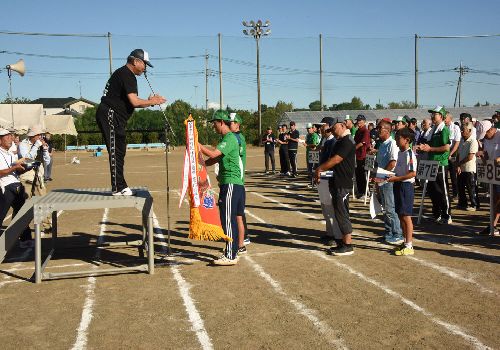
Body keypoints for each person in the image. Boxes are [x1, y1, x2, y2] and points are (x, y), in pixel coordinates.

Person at [96, 48, 166, 196]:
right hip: (110, 114)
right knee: (116, 150)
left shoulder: (124, 74)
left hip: (115, 116)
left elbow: (131, 101)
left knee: (120, 150)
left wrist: (149, 102)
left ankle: (120, 186)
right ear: (136, 61)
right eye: (145, 64)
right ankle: (118, 187)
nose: (145, 68)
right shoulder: (127, 75)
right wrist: (152, 101)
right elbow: (134, 102)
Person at [199, 110, 244, 265]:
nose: (213, 127)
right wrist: (201, 164)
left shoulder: (229, 138)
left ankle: (230, 255)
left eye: (214, 123)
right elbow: (215, 159)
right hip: (232, 183)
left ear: (221, 122)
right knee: (229, 218)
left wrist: (197, 145)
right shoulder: (227, 139)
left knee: (227, 219)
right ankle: (233, 251)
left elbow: (213, 154)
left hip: (231, 183)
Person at [314, 118, 356, 256]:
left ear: (343, 126)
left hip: (342, 183)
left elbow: (336, 159)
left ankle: (347, 244)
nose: (333, 131)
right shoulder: (340, 141)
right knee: (339, 212)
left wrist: (319, 169)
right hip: (336, 181)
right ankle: (343, 242)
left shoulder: (347, 141)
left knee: (342, 213)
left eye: (334, 128)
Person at [416, 106, 452, 225]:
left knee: (442, 190)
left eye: (435, 114)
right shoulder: (433, 129)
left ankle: (447, 215)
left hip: (440, 163)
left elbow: (446, 147)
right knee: (432, 190)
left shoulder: (444, 129)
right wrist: (422, 147)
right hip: (431, 163)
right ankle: (437, 214)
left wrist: (430, 148)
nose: (432, 116)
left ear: (441, 116)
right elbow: (429, 144)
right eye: (432, 114)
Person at [0, 128, 33, 248]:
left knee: (22, 213)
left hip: (15, 185)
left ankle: (25, 239)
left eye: (11, 136)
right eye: (7, 137)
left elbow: (14, 171)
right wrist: (14, 168)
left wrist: (24, 167)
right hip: (5, 188)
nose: (11, 139)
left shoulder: (9, 153)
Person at [387, 128, 417, 256]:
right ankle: (405, 242)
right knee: (400, 215)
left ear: (407, 140)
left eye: (398, 138)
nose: (396, 140)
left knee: (406, 216)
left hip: (406, 186)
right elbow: (399, 170)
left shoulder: (409, 154)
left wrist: (396, 178)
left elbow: (412, 173)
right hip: (398, 184)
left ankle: (409, 245)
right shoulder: (400, 152)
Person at [375, 119, 403, 244]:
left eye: (379, 128)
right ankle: (388, 232)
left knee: (390, 208)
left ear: (387, 129)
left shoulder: (392, 143)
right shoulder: (382, 145)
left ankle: (397, 233)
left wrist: (381, 176)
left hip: (388, 179)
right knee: (384, 208)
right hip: (382, 179)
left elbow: (393, 163)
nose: (377, 130)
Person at [316, 117, 342, 247]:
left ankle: (336, 235)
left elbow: (332, 163)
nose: (321, 129)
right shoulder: (326, 141)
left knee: (330, 209)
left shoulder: (333, 142)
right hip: (323, 178)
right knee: (325, 208)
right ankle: (329, 233)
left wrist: (321, 171)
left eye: (323, 126)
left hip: (329, 178)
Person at [229, 112, 250, 251]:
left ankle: (243, 237)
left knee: (237, 212)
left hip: (236, 178)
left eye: (230, 122)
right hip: (235, 178)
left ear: (237, 124)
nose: (228, 124)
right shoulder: (234, 137)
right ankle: (242, 237)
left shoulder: (238, 138)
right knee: (237, 211)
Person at [477, 124, 500, 235]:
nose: (484, 137)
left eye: (485, 133)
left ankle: (493, 225)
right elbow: (486, 160)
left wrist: (498, 160)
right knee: (494, 200)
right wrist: (482, 156)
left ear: (491, 129)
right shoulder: (485, 140)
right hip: (495, 174)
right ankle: (492, 225)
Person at [18, 125, 50, 198]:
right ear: (32, 135)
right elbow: (26, 159)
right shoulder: (23, 144)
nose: (40, 137)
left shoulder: (40, 145)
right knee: (27, 198)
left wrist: (45, 150)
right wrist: (36, 146)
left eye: (41, 135)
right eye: (38, 134)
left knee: (43, 197)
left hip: (39, 175)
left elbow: (47, 161)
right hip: (27, 176)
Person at [456, 122, 478, 211]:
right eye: (461, 130)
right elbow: (458, 154)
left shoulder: (473, 141)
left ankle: (475, 204)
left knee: (471, 187)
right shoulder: (462, 140)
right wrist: (458, 164)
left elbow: (470, 156)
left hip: (470, 168)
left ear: (469, 130)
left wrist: (459, 163)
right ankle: (463, 203)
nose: (461, 132)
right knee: (460, 186)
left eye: (463, 130)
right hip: (462, 168)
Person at [354, 114, 370, 199]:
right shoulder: (357, 131)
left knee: (363, 174)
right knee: (358, 174)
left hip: (363, 156)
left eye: (360, 121)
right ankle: (360, 191)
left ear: (364, 122)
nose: (358, 122)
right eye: (357, 120)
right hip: (357, 155)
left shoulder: (366, 131)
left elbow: (362, 143)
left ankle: (365, 192)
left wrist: (353, 149)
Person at [445, 112, 461, 199]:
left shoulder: (455, 127)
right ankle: (446, 192)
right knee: (444, 174)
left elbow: (457, 143)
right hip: (444, 153)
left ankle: (455, 193)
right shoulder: (443, 127)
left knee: (453, 175)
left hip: (453, 153)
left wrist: (450, 154)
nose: (444, 120)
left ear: (450, 118)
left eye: (445, 118)